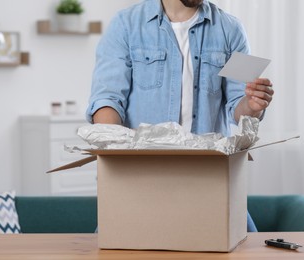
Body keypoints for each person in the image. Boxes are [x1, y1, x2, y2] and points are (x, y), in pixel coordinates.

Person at [86, 0, 274, 232]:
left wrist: (253, 105)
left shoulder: (230, 29)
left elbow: (239, 107)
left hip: (210, 180)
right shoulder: (125, 25)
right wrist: (115, 158)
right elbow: (107, 100)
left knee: (250, 246)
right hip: (141, 181)